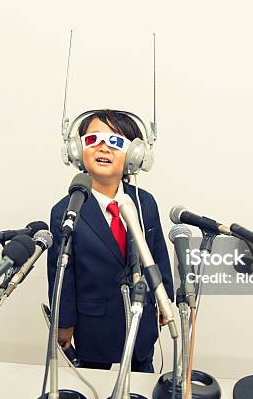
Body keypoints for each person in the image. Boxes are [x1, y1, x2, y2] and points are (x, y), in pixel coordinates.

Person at [47, 109, 174, 373]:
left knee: (141, 379)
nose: (103, 147)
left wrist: (164, 299)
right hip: (95, 324)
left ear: (135, 154)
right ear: (76, 150)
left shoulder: (144, 202)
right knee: (95, 384)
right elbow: (62, 274)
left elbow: (157, 252)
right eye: (93, 140)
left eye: (115, 142)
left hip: (141, 319)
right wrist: (64, 322)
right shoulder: (66, 211)